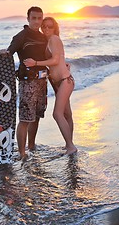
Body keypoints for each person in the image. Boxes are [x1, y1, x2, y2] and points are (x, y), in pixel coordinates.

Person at [0, 7, 48, 161]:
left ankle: (31, 146)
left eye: (39, 18)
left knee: (37, 116)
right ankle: (22, 153)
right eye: (34, 18)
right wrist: (3, 53)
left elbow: (49, 56)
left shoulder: (43, 37)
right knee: (26, 118)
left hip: (42, 81)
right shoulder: (21, 36)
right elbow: (9, 53)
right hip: (27, 83)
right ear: (28, 19)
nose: (37, 21)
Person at [24, 17, 77, 155]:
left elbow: (55, 60)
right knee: (67, 114)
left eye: (50, 26)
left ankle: (71, 146)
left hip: (65, 81)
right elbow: (60, 59)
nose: (46, 29)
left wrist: (35, 63)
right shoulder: (49, 41)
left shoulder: (54, 39)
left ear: (54, 28)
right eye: (44, 26)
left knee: (57, 114)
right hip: (58, 82)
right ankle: (69, 144)